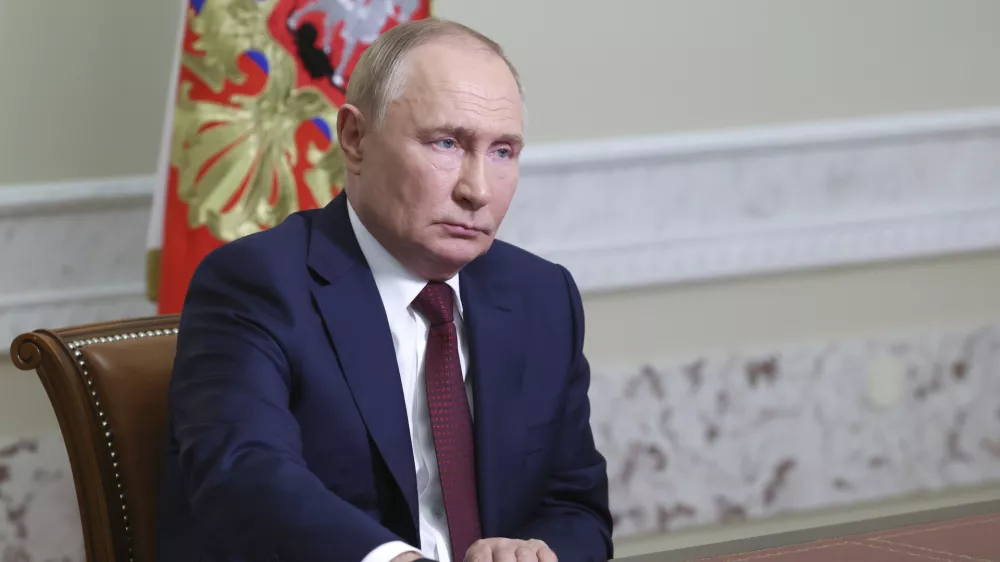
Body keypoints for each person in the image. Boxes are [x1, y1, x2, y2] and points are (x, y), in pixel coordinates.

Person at [155, 18, 613, 562]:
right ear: (354, 139)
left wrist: (539, 553)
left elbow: (576, 507)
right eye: (446, 142)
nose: (476, 189)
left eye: (502, 152)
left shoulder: (542, 295)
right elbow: (245, 475)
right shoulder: (257, 284)